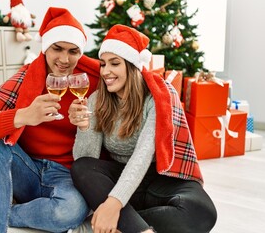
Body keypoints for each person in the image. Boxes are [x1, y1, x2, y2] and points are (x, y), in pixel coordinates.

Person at [0, 7, 101, 233]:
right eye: (57, 49)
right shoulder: (27, 78)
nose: (64, 59)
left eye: (73, 51)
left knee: (69, 212)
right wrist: (21, 116)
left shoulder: (91, 81)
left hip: (66, 175)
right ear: (45, 47)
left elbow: (135, 80)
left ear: (81, 53)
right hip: (25, 169)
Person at [68, 24, 217, 233]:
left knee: (202, 212)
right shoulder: (96, 100)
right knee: (82, 168)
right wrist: (84, 128)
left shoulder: (157, 98)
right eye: (103, 64)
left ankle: (106, 225)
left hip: (160, 178)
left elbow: (143, 155)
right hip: (121, 177)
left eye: (114, 63)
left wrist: (113, 204)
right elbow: (87, 157)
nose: (105, 71)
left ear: (132, 66)